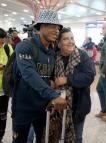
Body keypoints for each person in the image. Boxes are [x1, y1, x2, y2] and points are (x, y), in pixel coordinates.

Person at [12, 9, 67, 143]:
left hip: (43, 108)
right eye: (52, 26)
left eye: (58, 28)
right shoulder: (24, 46)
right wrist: (53, 95)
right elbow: (29, 74)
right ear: (41, 27)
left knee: (43, 140)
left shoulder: (52, 52)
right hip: (23, 108)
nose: (56, 31)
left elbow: (51, 78)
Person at [54, 28, 95, 143]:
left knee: (76, 137)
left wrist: (67, 79)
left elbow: (89, 76)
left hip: (78, 106)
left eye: (72, 38)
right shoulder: (54, 57)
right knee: (57, 135)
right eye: (66, 39)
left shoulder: (82, 56)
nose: (71, 41)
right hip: (58, 106)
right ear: (59, 43)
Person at [0, 28, 13, 143]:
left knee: (3, 116)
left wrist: (4, 67)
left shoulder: (7, 48)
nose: (1, 42)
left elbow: (14, 63)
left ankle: (0, 136)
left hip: (4, 90)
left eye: (2, 39)